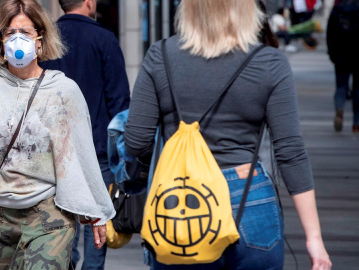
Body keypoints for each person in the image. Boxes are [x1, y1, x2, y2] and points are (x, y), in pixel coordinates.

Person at [124, 0, 332, 269]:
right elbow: (290, 153)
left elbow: (136, 141)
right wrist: (314, 238)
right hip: (250, 195)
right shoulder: (269, 62)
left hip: (182, 200)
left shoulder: (160, 55)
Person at [0, 0, 115, 269]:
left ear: (40, 40)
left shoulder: (64, 91)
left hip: (48, 217)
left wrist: (97, 212)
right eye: (9, 33)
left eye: (26, 33)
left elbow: (82, 156)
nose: (17, 39)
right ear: (0, 41)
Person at [41, 0, 130, 269]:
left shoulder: (46, 39)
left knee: (63, 219)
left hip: (55, 147)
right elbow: (119, 101)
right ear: (89, 2)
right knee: (97, 222)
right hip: (97, 147)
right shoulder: (104, 38)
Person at [326, 0, 359, 133]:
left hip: (340, 55)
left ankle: (340, 108)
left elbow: (330, 33)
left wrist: (332, 53)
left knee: (340, 86)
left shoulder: (337, 10)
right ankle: (356, 122)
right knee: (357, 89)